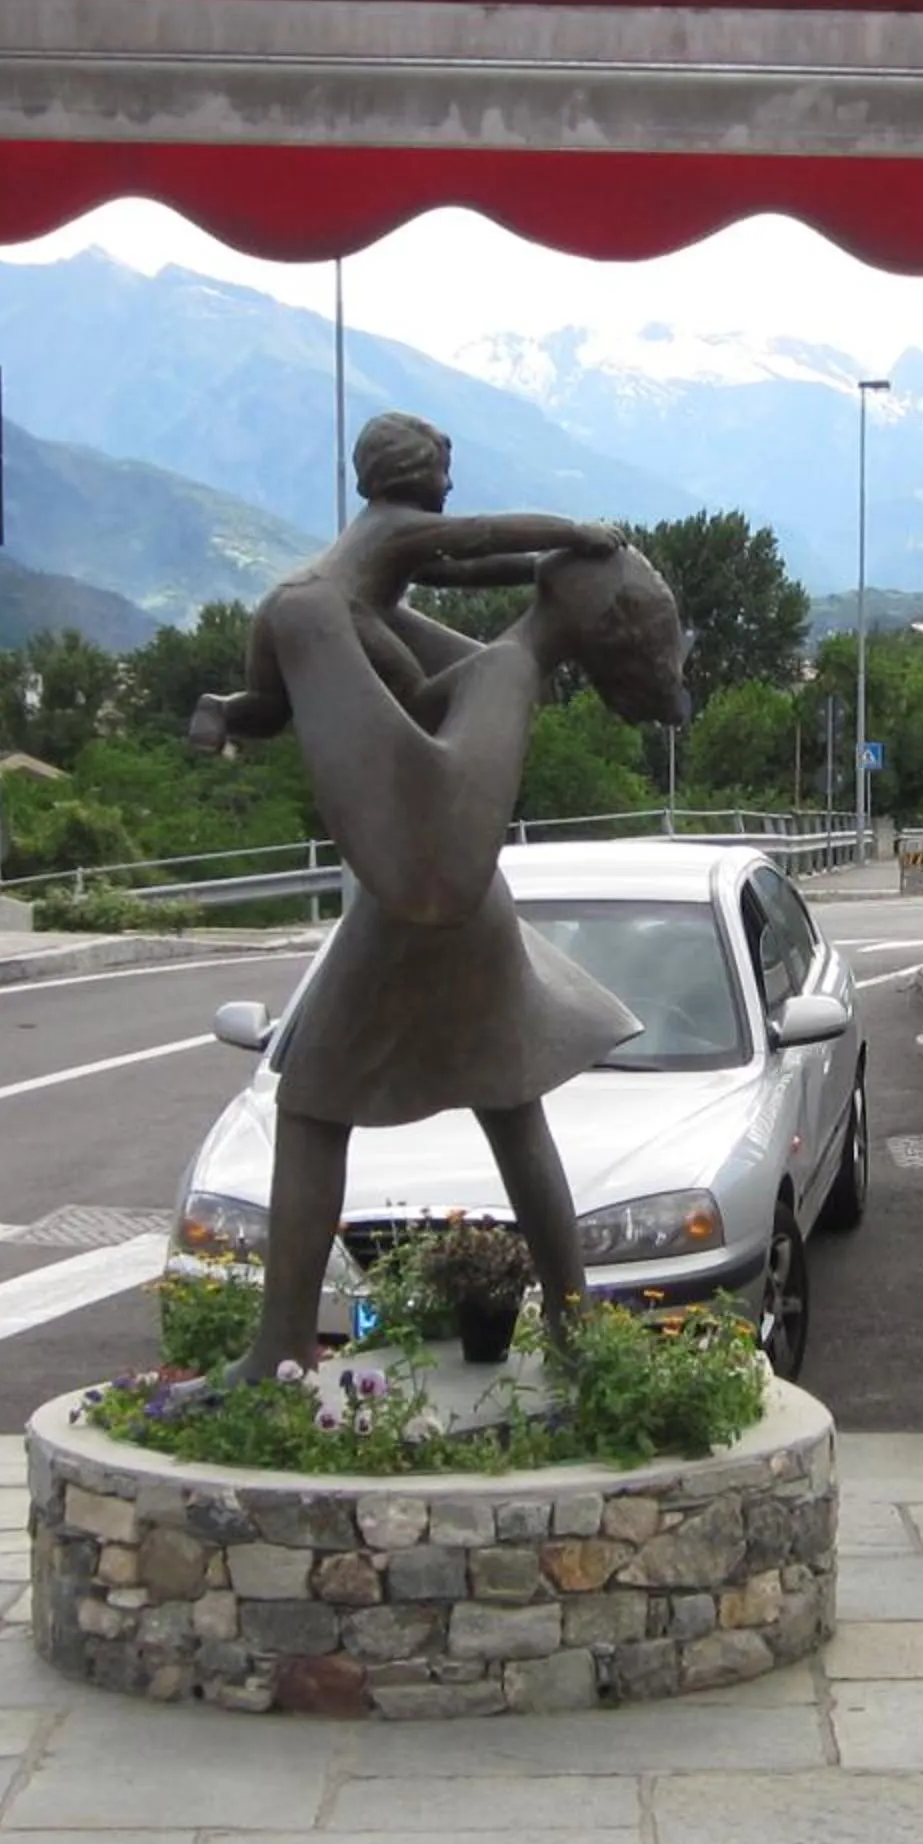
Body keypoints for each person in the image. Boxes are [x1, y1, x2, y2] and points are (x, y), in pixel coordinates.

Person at [196, 535, 690, 1385]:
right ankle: (574, 1331)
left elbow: (458, 824)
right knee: (509, 1104)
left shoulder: (503, 670)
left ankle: (282, 1345)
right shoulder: (492, 660)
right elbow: (413, 659)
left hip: (424, 915)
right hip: (458, 917)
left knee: (315, 1106)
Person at [188, 410, 627, 751]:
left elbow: (458, 571)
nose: (450, 485)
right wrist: (573, 532)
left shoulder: (379, 533)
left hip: (281, 603)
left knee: (269, 709)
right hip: (336, 609)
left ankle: (220, 710)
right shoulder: (400, 524)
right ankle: (424, 777)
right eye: (443, 471)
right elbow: (483, 534)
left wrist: (535, 568)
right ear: (412, 470)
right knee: (416, 699)